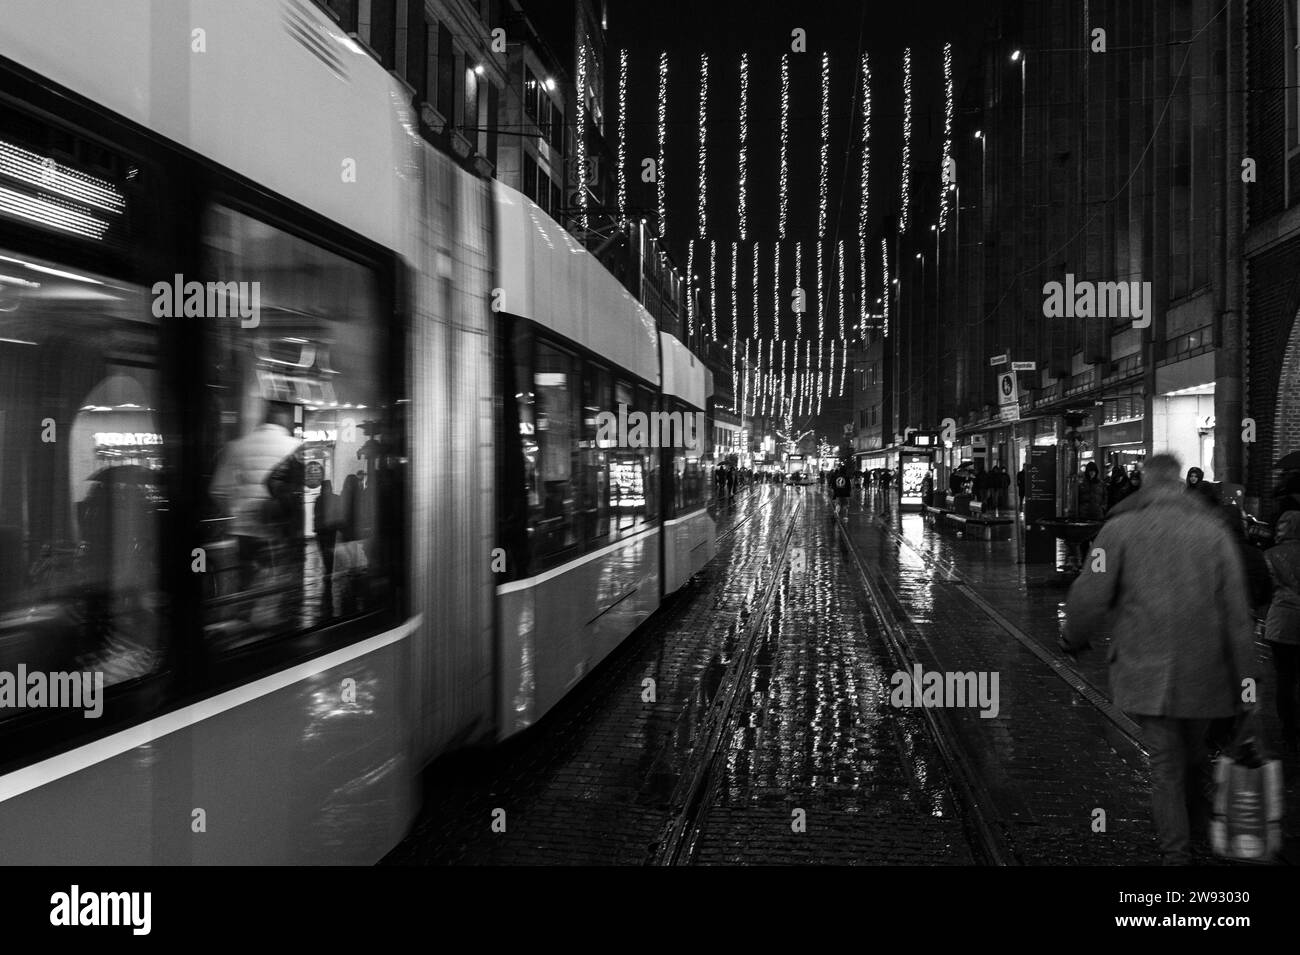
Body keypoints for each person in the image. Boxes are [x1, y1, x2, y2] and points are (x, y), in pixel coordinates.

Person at [1062, 454, 1256, 865]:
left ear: (1145, 484)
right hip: (1207, 673)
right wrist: (1248, 687)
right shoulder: (1214, 533)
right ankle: (1198, 824)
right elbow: (1238, 617)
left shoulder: (1119, 531)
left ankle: (1176, 853)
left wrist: (1073, 636)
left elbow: (1090, 593)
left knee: (1166, 764)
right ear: (1181, 484)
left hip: (1147, 671)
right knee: (1193, 751)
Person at [210, 403, 303, 593]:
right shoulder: (295, 447)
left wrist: (236, 512)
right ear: (284, 422)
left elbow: (218, 490)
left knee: (247, 583)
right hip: (280, 531)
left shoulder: (237, 446)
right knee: (282, 586)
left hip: (245, 531)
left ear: (263, 420)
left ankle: (246, 615)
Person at [1263, 511, 1300, 757]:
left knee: (1285, 681)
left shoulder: (1270, 555)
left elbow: (1266, 590)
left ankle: (1290, 733)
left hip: (1280, 625)